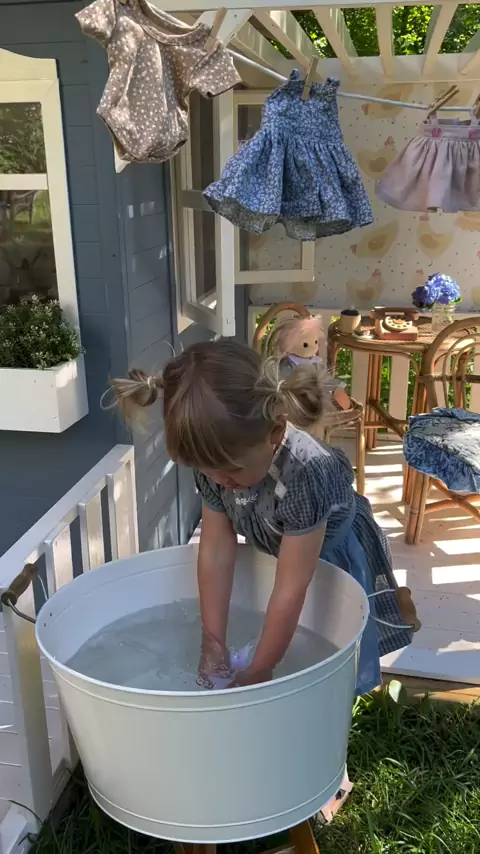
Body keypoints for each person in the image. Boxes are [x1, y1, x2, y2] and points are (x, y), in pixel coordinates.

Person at [111, 338, 413, 822]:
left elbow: (292, 589)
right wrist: (213, 642)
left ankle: (328, 768)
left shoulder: (307, 472)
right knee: (274, 644)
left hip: (333, 554)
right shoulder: (218, 464)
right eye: (208, 472)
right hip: (282, 542)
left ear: (275, 433)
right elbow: (215, 551)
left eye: (230, 471)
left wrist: (259, 672)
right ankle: (272, 744)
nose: (220, 481)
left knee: (326, 671)